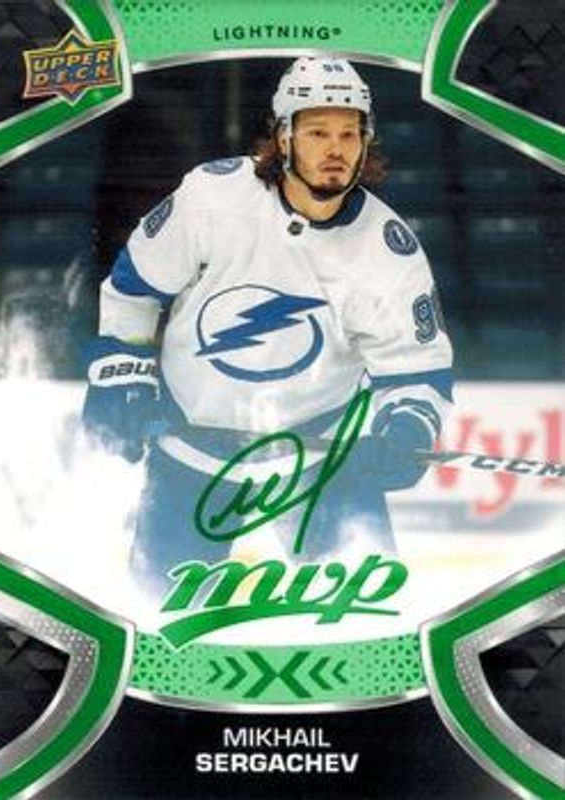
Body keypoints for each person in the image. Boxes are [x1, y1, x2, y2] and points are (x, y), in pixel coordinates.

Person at [82, 57, 453, 605]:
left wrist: (406, 432)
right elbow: (134, 290)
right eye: (318, 132)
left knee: (370, 621)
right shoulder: (212, 199)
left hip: (322, 461)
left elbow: (416, 370)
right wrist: (121, 379)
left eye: (349, 134)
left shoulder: (387, 251)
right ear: (283, 137)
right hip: (189, 452)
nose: (336, 149)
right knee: (154, 619)